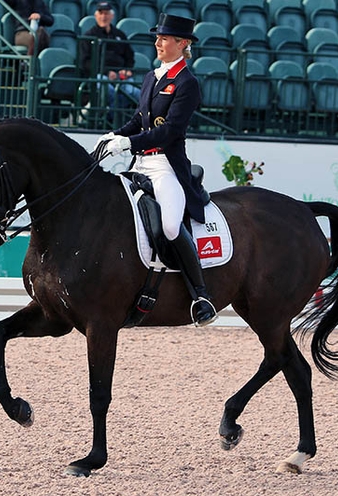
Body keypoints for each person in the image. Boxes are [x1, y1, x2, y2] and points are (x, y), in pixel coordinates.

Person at [94, 13, 217, 326]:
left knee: (171, 227)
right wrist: (117, 135)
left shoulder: (187, 84)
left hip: (166, 166)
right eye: (158, 38)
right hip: (140, 164)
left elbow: (170, 131)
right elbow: (139, 120)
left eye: (165, 39)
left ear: (183, 44)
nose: (158, 43)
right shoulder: (152, 77)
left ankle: (200, 296)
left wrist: (129, 143)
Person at [80, 2, 140, 114]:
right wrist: (107, 72)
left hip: (121, 77)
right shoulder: (89, 36)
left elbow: (129, 57)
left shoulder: (120, 35)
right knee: (109, 91)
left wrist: (127, 70)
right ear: (96, 16)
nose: (104, 17)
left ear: (112, 16)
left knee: (136, 93)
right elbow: (85, 62)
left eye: (106, 13)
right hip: (99, 76)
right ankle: (111, 120)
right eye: (101, 13)